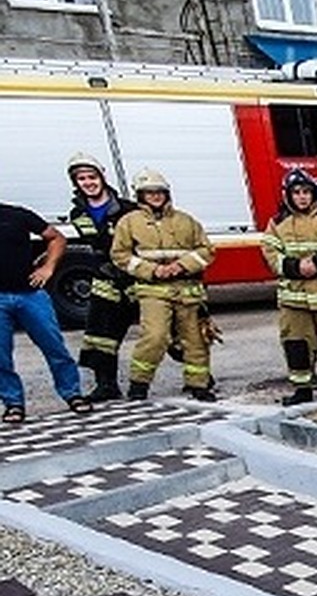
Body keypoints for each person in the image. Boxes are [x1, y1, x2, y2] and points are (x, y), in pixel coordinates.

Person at [111, 169, 216, 401]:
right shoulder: (129, 223)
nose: (156, 196)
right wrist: (152, 270)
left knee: (195, 339)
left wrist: (182, 265)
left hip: (187, 291)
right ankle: (139, 384)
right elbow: (120, 255)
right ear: (140, 195)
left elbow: (206, 250)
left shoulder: (186, 221)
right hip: (153, 291)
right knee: (155, 337)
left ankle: (198, 384)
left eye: (160, 192)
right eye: (149, 193)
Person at [260, 168, 317, 405]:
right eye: (296, 192)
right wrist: (295, 267)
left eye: (306, 192)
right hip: (294, 300)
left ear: (314, 195)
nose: (302, 197)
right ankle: (302, 390)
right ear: (287, 196)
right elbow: (269, 254)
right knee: (296, 344)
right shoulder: (277, 224)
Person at [0, 198, 93, 423]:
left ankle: (73, 394)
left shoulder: (16, 215)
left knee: (54, 347)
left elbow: (55, 238)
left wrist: (48, 267)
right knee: (0, 357)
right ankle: (13, 404)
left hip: (30, 295)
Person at [66, 153, 139, 401]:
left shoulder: (129, 209)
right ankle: (106, 385)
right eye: (82, 178)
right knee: (100, 334)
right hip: (105, 281)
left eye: (92, 176)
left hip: (137, 278)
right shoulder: (78, 213)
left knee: (165, 329)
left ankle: (199, 380)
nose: (88, 182)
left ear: (102, 177)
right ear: (76, 183)